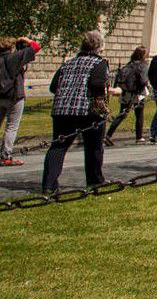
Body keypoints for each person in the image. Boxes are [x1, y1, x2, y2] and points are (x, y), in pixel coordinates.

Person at [42, 31, 114, 192]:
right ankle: (95, 180)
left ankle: (48, 185)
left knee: (58, 147)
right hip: (88, 111)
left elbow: (54, 86)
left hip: (62, 110)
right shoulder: (99, 63)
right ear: (99, 48)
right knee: (93, 147)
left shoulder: (67, 63)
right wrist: (106, 91)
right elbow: (96, 84)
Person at [0, 35, 40, 166]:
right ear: (12, 47)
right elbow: (36, 47)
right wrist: (26, 39)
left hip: (1, 96)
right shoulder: (15, 57)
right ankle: (5, 155)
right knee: (11, 127)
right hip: (15, 95)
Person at [104, 46, 150, 146]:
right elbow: (143, 80)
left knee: (122, 114)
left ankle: (108, 135)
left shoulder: (129, 64)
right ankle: (139, 137)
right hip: (137, 92)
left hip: (126, 91)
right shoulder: (143, 66)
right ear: (143, 56)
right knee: (139, 114)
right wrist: (147, 85)